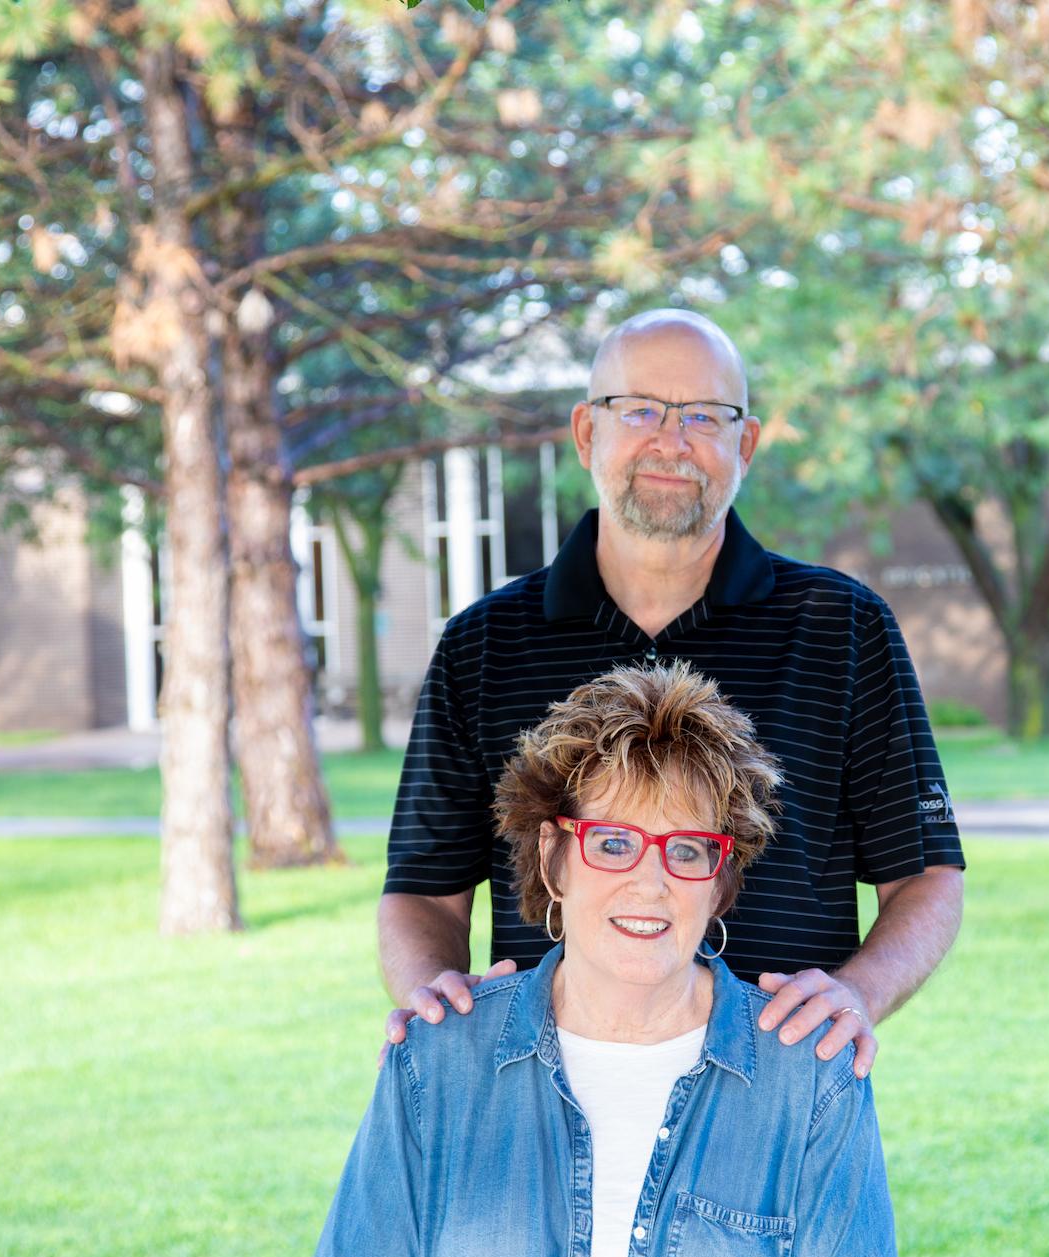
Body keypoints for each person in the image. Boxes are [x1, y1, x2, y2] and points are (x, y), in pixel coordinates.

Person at [379, 308, 964, 1076]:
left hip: (776, 1087)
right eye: (641, 409)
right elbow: (423, 892)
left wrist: (858, 992)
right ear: (588, 432)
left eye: (704, 415)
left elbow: (927, 875)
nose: (671, 439)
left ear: (744, 444)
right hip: (537, 1091)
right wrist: (440, 1005)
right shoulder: (483, 644)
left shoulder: (843, 628)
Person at [302, 665, 900, 1257]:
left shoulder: (811, 1079)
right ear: (552, 859)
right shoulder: (438, 1061)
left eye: (687, 848)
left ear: (721, 881)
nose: (650, 883)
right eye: (613, 843)